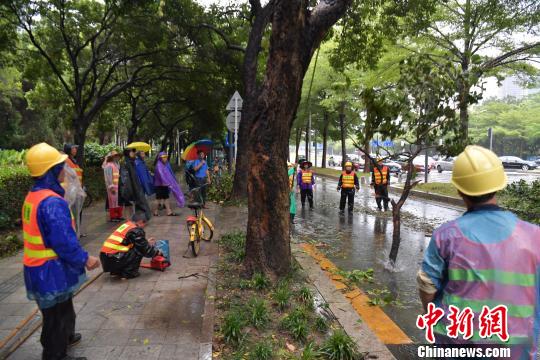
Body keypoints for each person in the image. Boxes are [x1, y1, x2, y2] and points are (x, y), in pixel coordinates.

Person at [417, 145, 540, 359]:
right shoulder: (534, 235)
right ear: (498, 185)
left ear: (459, 189)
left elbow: (427, 285)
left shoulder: (446, 236)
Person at [23, 143, 100, 360]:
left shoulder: (34, 195)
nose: (62, 169)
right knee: (54, 317)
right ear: (49, 171)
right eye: (59, 165)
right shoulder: (51, 203)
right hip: (48, 270)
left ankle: (67, 336)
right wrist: (85, 259)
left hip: (42, 268)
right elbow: (63, 242)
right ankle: (55, 354)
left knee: (64, 306)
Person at [100, 213, 163, 279]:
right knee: (138, 250)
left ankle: (116, 271)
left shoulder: (126, 225)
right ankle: (128, 273)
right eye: (145, 224)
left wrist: (146, 242)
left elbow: (127, 242)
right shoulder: (136, 230)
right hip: (115, 258)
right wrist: (158, 252)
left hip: (106, 258)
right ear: (140, 221)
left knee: (135, 247)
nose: (144, 227)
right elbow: (145, 250)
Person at [119, 148, 152, 221]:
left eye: (134, 151)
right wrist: (127, 191)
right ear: (128, 153)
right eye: (132, 151)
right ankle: (128, 223)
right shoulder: (125, 163)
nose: (134, 153)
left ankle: (131, 222)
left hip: (134, 187)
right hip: (129, 189)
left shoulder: (132, 162)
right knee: (128, 206)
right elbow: (125, 179)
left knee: (134, 206)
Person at [62, 144, 85, 236]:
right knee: (72, 213)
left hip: (77, 190)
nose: (75, 149)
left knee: (78, 212)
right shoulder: (66, 161)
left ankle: (77, 231)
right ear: (68, 150)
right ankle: (74, 232)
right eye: (73, 148)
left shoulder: (74, 161)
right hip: (71, 191)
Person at [153, 152, 185, 216]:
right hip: (160, 185)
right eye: (164, 157)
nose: (165, 159)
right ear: (160, 158)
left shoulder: (163, 165)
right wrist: (166, 182)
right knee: (158, 199)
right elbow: (161, 175)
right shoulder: (159, 165)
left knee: (166, 198)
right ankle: (155, 212)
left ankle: (168, 211)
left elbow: (167, 174)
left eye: (166, 157)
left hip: (164, 185)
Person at [102, 151, 123, 222]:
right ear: (112, 157)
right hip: (113, 187)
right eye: (116, 156)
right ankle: (113, 217)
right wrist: (111, 187)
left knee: (116, 202)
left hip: (117, 186)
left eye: (118, 156)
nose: (118, 157)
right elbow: (108, 177)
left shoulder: (116, 165)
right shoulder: (109, 165)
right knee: (113, 202)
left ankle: (118, 216)